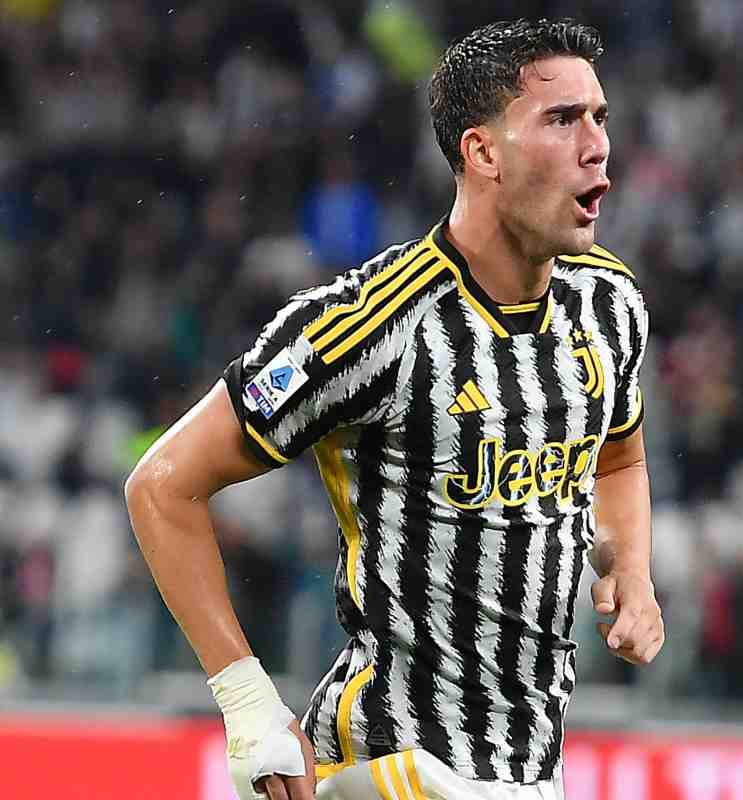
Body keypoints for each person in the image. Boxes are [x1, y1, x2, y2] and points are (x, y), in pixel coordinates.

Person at [125, 18, 662, 800]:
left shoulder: (609, 303)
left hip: (530, 775)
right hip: (393, 765)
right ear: (482, 153)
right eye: (561, 119)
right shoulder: (374, 324)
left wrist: (633, 570)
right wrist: (248, 706)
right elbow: (162, 484)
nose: (596, 145)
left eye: (599, 118)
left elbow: (619, 454)